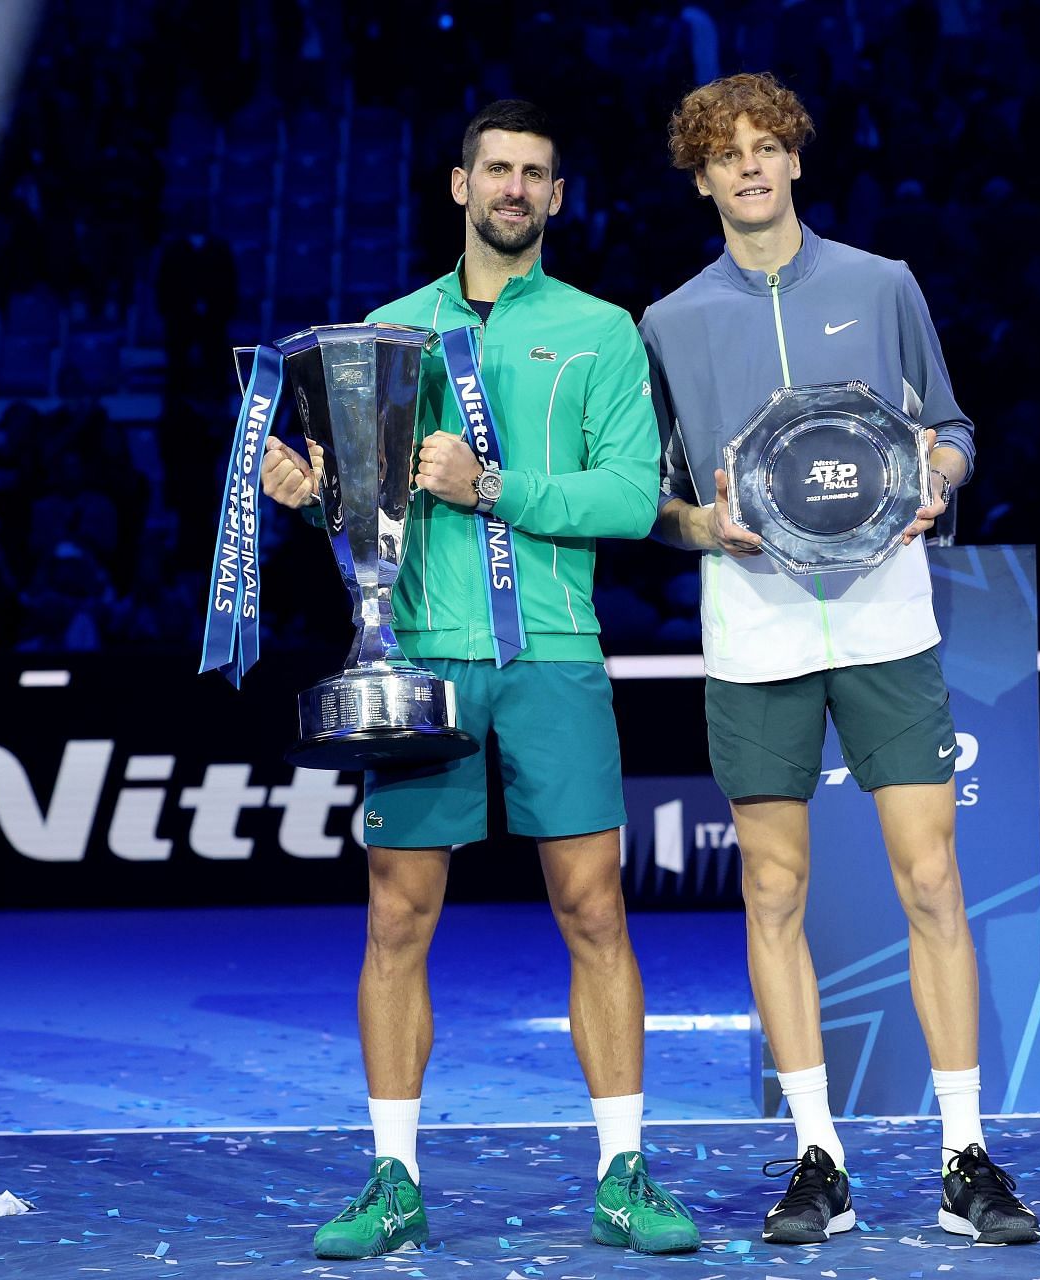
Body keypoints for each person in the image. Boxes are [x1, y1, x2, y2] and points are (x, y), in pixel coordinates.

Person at [258, 99, 700, 1260]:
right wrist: (317, 500)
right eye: (496, 169)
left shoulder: (604, 330)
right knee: (398, 914)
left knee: (594, 908)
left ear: (557, 199)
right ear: (459, 186)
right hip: (419, 659)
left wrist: (491, 486)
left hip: (554, 657)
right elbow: (373, 521)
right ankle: (393, 1179)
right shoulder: (387, 330)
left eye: (535, 174)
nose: (514, 188)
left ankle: (623, 1172)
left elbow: (628, 499)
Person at [639, 72, 1040, 1248]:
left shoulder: (882, 284)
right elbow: (662, 497)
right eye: (728, 154)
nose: (751, 167)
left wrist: (940, 476)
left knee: (931, 880)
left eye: (770, 146)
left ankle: (967, 1154)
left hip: (885, 625)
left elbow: (956, 431)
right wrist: (702, 525)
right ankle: (820, 1154)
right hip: (754, 634)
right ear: (702, 176)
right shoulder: (668, 321)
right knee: (773, 891)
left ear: (797, 161)